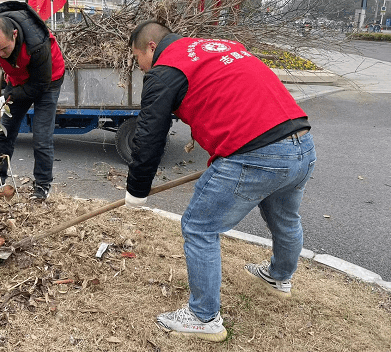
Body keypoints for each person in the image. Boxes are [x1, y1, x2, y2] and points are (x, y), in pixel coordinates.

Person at [124, 21, 316, 342]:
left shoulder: (165, 69)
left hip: (254, 152)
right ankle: (279, 277)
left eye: (136, 57)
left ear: (151, 48)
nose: (138, 66)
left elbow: (149, 135)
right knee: (284, 219)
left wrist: (137, 190)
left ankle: (203, 317)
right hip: (300, 143)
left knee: (199, 227)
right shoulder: (216, 47)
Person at [0, 1, 65, 201]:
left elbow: (39, 85)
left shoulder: (37, 44)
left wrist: (8, 96)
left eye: (4, 49)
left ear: (15, 34)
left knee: (42, 137)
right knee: (4, 131)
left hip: (48, 80)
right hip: (18, 78)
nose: (1, 54)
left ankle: (43, 185)